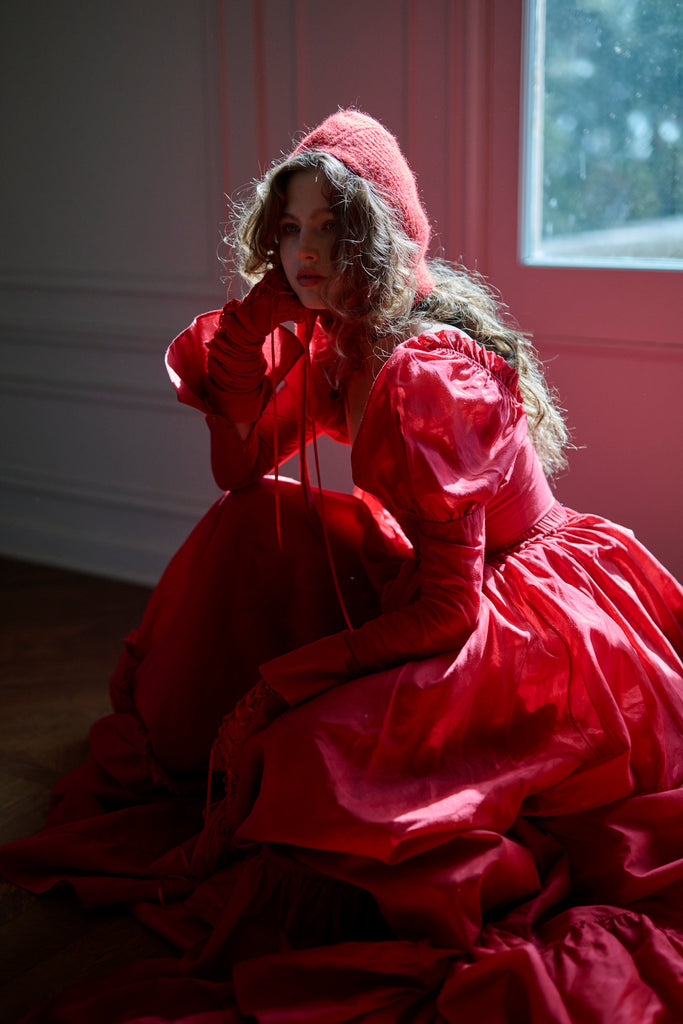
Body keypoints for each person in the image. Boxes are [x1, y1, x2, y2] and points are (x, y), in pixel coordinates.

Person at [2, 109, 683, 1023]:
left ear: (380, 239)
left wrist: (290, 680)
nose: (303, 253)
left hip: (517, 620)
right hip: (447, 585)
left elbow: (450, 612)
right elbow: (241, 470)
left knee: (312, 766)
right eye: (289, 229)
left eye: (331, 227)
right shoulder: (343, 345)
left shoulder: (424, 371)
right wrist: (248, 330)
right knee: (257, 517)